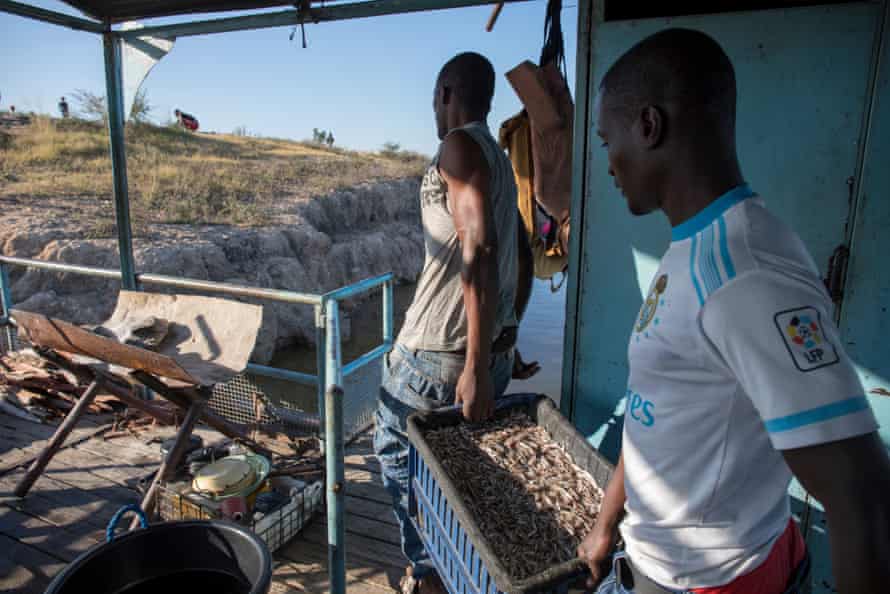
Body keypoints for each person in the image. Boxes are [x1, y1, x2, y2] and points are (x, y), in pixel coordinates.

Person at [577, 28, 890, 594]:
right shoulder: (691, 248)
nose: (608, 164)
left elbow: (862, 496)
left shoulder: (745, 274)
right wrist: (608, 523)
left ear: (649, 126)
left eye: (606, 141)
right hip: (652, 562)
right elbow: (661, 406)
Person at [374, 52, 519, 594]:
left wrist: (479, 364)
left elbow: (480, 250)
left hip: (439, 358)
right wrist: (508, 332)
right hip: (480, 353)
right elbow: (517, 251)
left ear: (446, 93)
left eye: (434, 97)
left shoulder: (458, 147)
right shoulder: (498, 158)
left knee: (392, 448)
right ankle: (452, 570)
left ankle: (432, 573)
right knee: (455, 477)